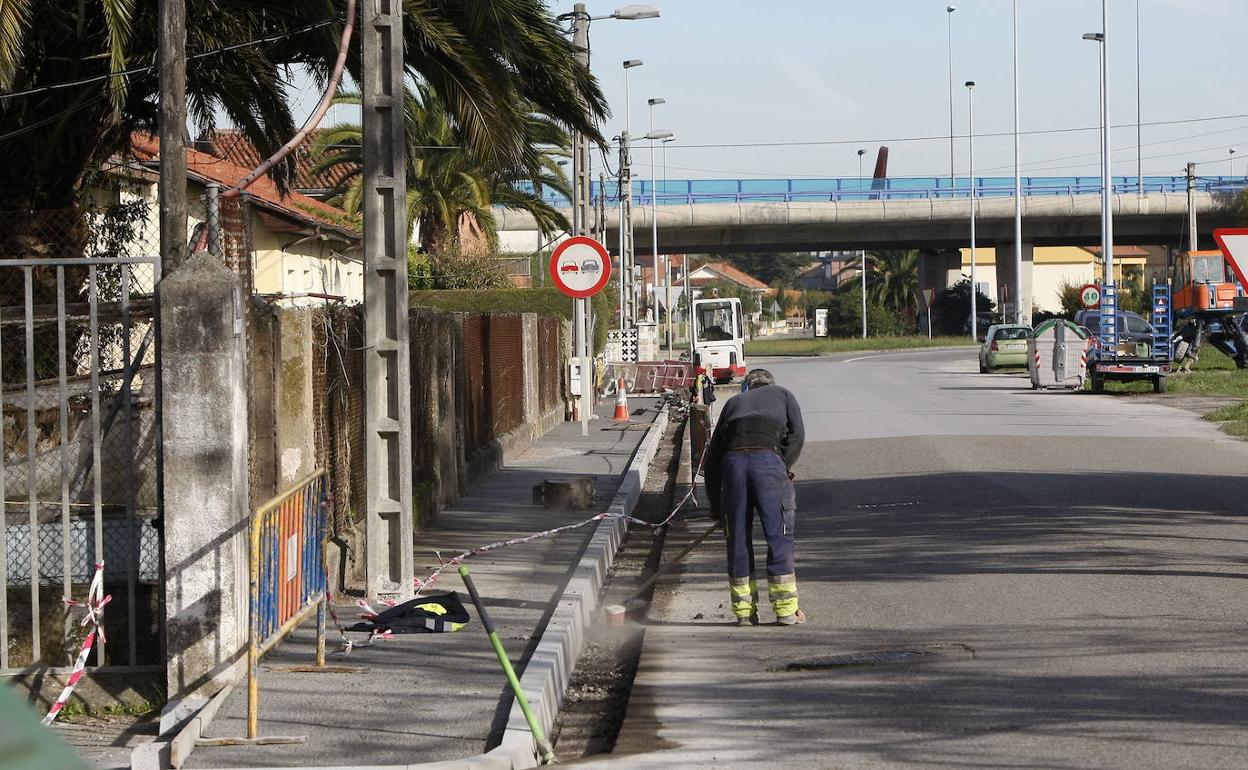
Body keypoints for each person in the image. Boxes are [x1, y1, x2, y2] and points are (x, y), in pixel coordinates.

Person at [703, 368, 806, 626]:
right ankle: (785, 611)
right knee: (778, 535)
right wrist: (781, 463)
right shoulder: (783, 394)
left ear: (747, 387)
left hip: (733, 465)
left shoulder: (734, 403)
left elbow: (713, 458)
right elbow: (797, 435)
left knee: (738, 539)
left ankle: (744, 613)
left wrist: (717, 506)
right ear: (771, 383)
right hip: (767, 462)